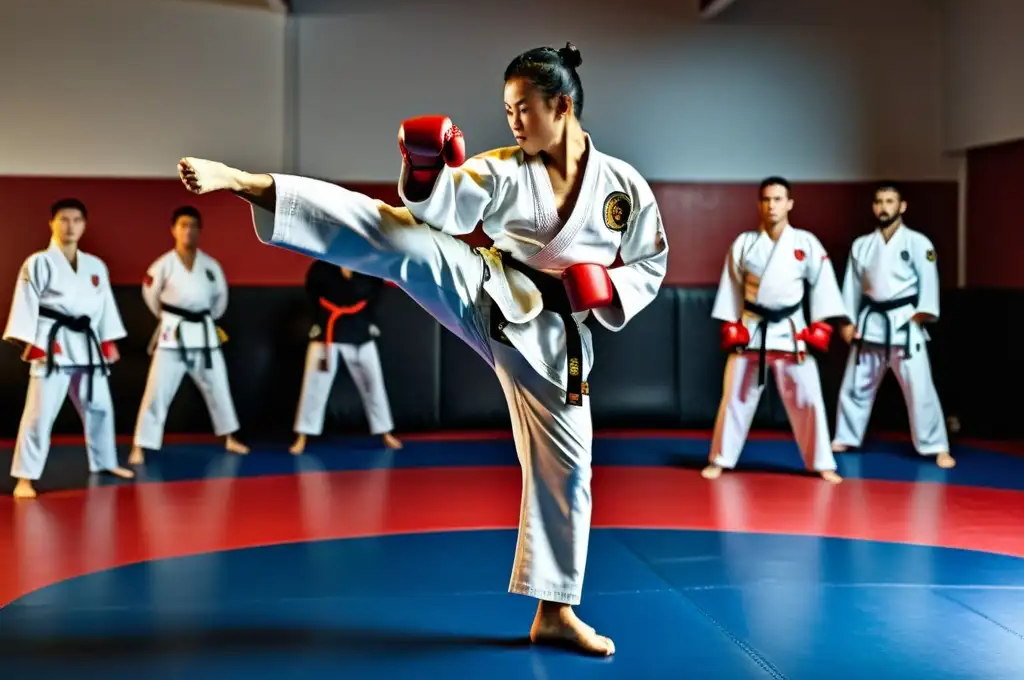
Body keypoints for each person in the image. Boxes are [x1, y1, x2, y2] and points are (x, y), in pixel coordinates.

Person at [175, 42, 668, 656]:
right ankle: (253, 184)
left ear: (561, 106)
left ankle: (555, 612)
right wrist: (425, 171)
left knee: (569, 471)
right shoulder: (505, 168)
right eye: (507, 110)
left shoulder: (622, 186)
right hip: (487, 286)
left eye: (522, 110)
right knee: (400, 239)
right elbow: (440, 210)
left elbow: (652, 260)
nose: (512, 122)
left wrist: (609, 287)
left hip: (552, 336)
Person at [704, 177, 846, 484]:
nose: (772, 205)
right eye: (767, 199)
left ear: (789, 203)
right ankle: (720, 459)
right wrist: (732, 325)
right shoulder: (744, 243)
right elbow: (731, 287)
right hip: (753, 330)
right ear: (759, 204)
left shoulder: (806, 243)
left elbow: (823, 283)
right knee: (734, 398)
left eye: (778, 199)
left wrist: (820, 325)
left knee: (809, 399)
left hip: (792, 332)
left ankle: (822, 463)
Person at [3, 198, 135, 498]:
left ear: (84, 225)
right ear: (52, 223)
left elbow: (104, 307)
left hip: (87, 344)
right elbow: (26, 301)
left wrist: (107, 340)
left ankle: (105, 461)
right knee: (39, 414)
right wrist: (32, 343)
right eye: (64, 219)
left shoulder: (95, 266)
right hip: (53, 342)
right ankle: (25, 477)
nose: (70, 225)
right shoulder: (38, 261)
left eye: (76, 220)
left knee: (100, 406)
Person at [832, 182, 955, 468]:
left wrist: (921, 314)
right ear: (874, 207)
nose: (884, 207)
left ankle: (936, 446)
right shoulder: (861, 245)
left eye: (890, 201)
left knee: (920, 389)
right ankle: (846, 437)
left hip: (904, 322)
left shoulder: (919, 243)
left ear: (902, 207)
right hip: (871, 322)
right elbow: (851, 286)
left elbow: (929, 283)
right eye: (879, 201)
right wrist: (847, 322)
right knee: (855, 385)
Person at [129, 206, 248, 465]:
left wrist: (207, 318)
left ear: (199, 231)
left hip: (204, 333)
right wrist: (167, 316)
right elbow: (150, 296)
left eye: (193, 226)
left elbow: (220, 300)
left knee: (218, 386)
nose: (188, 231)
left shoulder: (210, 266)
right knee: (157, 390)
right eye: (183, 225)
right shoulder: (163, 265)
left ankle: (230, 437)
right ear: (173, 230)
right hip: (173, 331)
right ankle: (141, 444)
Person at [290, 260, 402, 454]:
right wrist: (318, 320)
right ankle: (302, 436)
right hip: (328, 330)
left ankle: (385, 432)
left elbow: (376, 295)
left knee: (373, 384)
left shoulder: (369, 266)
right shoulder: (322, 267)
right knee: (314, 385)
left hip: (359, 329)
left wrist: (370, 321)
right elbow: (312, 294)